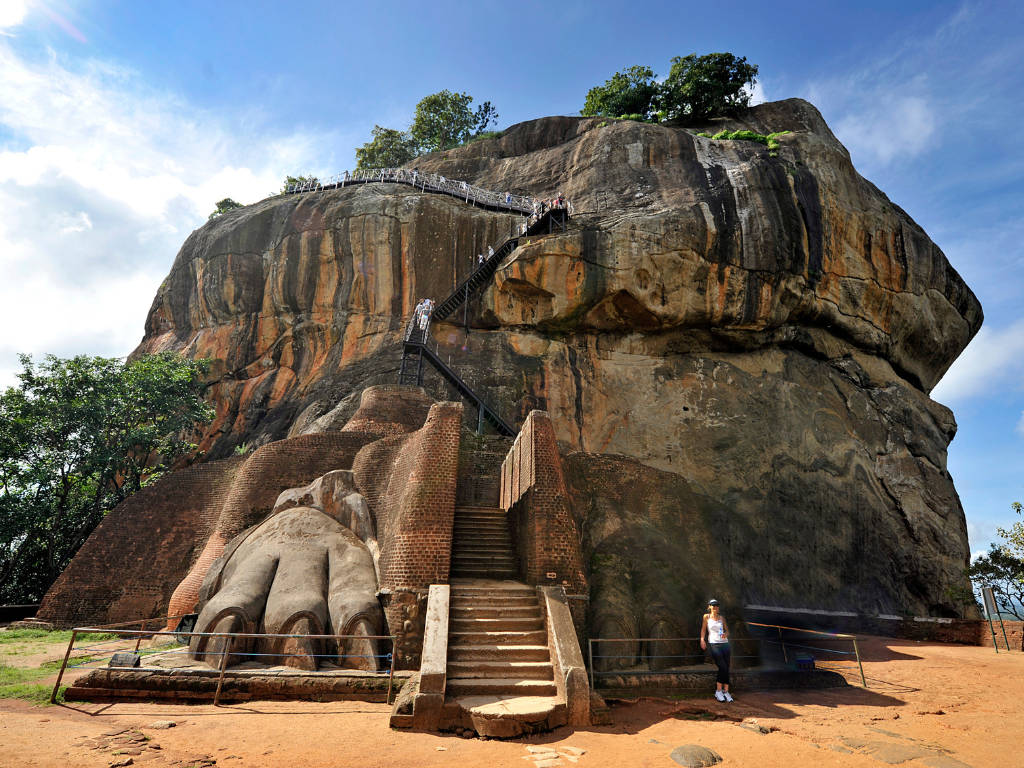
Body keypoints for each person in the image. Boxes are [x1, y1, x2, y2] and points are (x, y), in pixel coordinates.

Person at [700, 599, 733, 702]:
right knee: (722, 666)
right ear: (709, 606)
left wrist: (725, 634)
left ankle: (726, 691)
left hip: (725, 644)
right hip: (714, 644)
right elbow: (703, 629)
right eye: (713, 605)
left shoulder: (721, 618)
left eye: (717, 605)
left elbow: (727, 631)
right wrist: (702, 640)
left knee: (726, 667)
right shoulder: (706, 617)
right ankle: (718, 691)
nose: (715, 607)